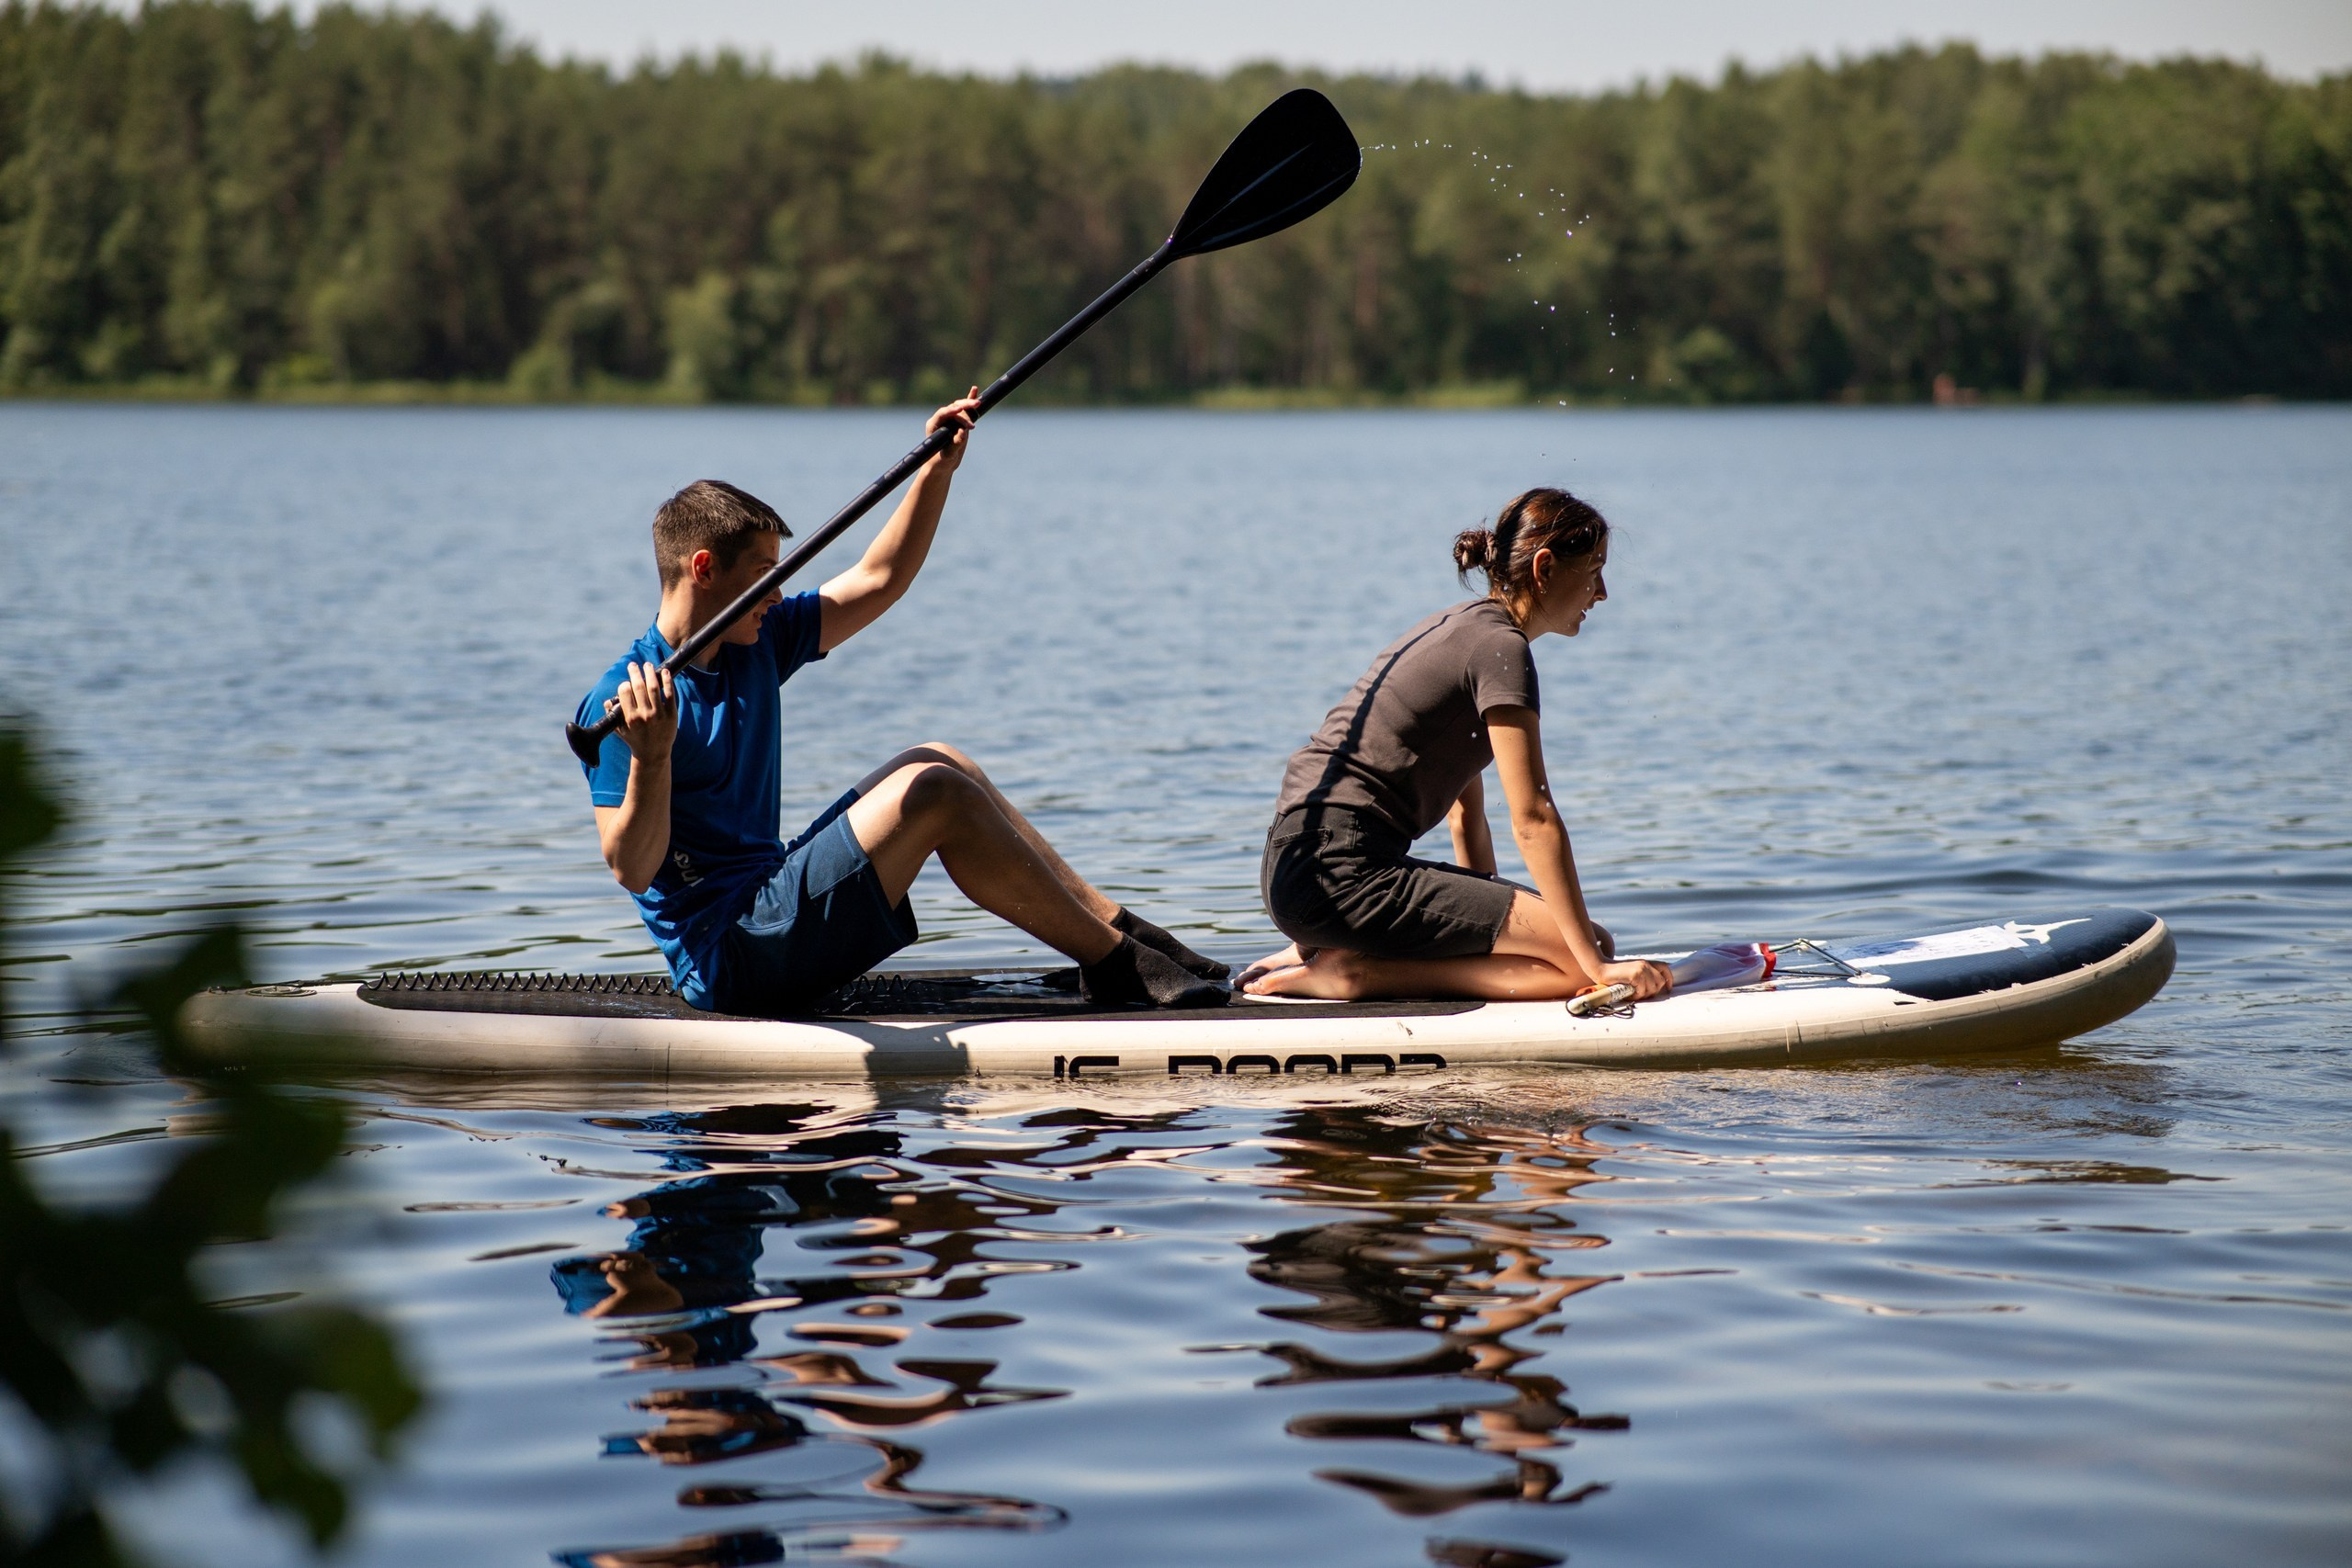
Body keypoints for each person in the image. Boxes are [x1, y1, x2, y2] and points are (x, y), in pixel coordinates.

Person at [577, 392, 1225, 1016]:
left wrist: (933, 470)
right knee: (935, 793)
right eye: (763, 576)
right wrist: (651, 758)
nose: (778, 593)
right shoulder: (623, 700)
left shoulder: (755, 640)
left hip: (770, 901)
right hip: (731, 958)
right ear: (703, 569)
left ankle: (1113, 929)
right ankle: (1118, 966)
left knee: (942, 760)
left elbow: (879, 578)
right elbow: (631, 868)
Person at [1239, 487, 1671, 1004]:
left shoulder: (1464, 628)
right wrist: (1599, 964)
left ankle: (1322, 949)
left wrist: (1479, 931)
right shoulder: (1500, 650)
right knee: (1585, 952)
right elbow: (1533, 819)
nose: (1601, 592)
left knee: (1564, 947)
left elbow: (1466, 818)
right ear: (1546, 567)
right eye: (1595, 569)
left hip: (1295, 870)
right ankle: (1355, 975)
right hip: (1340, 874)